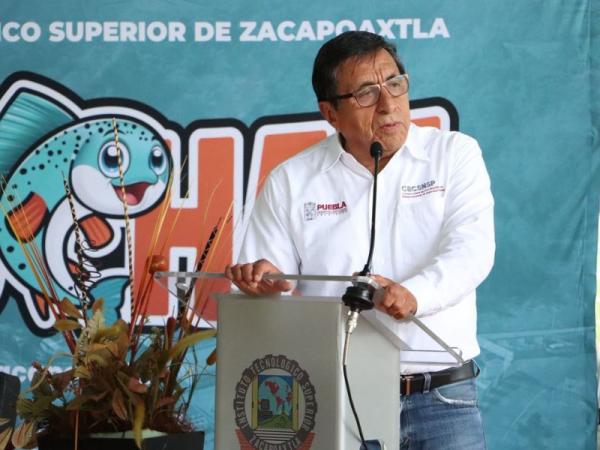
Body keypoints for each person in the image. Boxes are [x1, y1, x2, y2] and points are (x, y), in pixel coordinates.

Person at [226, 31, 494, 450]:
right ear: (330, 113)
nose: (388, 104)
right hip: (336, 396)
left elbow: (471, 251)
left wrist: (415, 295)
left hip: (442, 395)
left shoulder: (454, 155)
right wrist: (263, 285)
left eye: (395, 83)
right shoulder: (291, 180)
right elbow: (268, 282)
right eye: (367, 93)